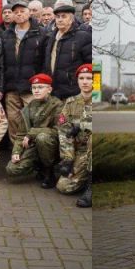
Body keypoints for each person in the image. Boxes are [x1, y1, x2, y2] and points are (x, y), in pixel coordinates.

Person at [5, 73, 63, 186]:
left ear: (49, 89)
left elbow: (58, 131)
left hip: (53, 147)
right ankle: (38, 165)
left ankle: (49, 171)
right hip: (33, 146)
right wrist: (16, 152)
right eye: (34, 88)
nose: (36, 90)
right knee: (12, 169)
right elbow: (21, 134)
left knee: (42, 138)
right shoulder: (29, 106)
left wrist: (31, 133)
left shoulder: (58, 106)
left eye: (40, 87)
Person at [2, 1, 44, 152]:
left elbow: (45, 61)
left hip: (32, 87)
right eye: (16, 12)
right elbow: (2, 62)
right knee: (13, 121)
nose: (19, 14)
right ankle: (17, 152)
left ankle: (32, 154)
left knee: (32, 121)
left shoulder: (41, 33)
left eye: (22, 11)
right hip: (12, 87)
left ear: (29, 13)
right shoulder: (6, 35)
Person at [57, 63, 93, 206]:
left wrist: (83, 126)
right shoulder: (70, 103)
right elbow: (64, 132)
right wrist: (68, 160)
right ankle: (83, 178)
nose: (85, 82)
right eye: (81, 78)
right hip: (80, 151)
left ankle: (91, 188)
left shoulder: (101, 103)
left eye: (89, 78)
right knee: (64, 186)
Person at [42, 0, 92, 100]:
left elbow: (91, 65)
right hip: (53, 93)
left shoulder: (83, 37)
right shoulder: (49, 37)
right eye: (58, 17)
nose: (60, 20)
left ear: (71, 19)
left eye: (64, 16)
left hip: (73, 93)